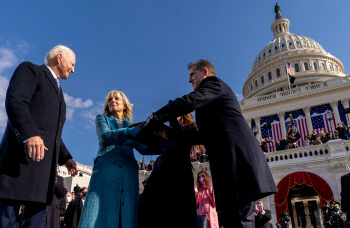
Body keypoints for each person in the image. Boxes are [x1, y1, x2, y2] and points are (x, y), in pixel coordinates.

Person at [138, 59, 278, 228]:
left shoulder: (214, 84)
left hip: (238, 161)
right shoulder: (209, 101)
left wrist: (156, 117)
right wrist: (172, 132)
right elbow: (202, 135)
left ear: (205, 71)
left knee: (241, 219)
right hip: (227, 163)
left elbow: (187, 102)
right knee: (230, 219)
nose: (189, 80)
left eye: (192, 75)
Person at [0, 45, 78, 228]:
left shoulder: (61, 96)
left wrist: (66, 158)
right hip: (19, 162)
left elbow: (53, 132)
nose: (73, 70)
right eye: (72, 64)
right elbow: (16, 101)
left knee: (35, 222)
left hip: (43, 171)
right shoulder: (31, 70)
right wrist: (30, 134)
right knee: (6, 218)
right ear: (60, 58)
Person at [78, 91, 159, 228]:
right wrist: (130, 132)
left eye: (117, 98)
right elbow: (106, 136)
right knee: (101, 212)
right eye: (110, 99)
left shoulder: (132, 126)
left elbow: (143, 148)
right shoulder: (102, 118)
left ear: (125, 105)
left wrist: (164, 144)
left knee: (126, 214)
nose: (112, 101)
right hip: (107, 172)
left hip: (128, 174)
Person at [138, 113, 199, 228]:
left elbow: (182, 141)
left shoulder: (191, 127)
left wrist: (171, 118)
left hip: (179, 171)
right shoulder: (166, 130)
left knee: (176, 213)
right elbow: (153, 148)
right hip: (161, 170)